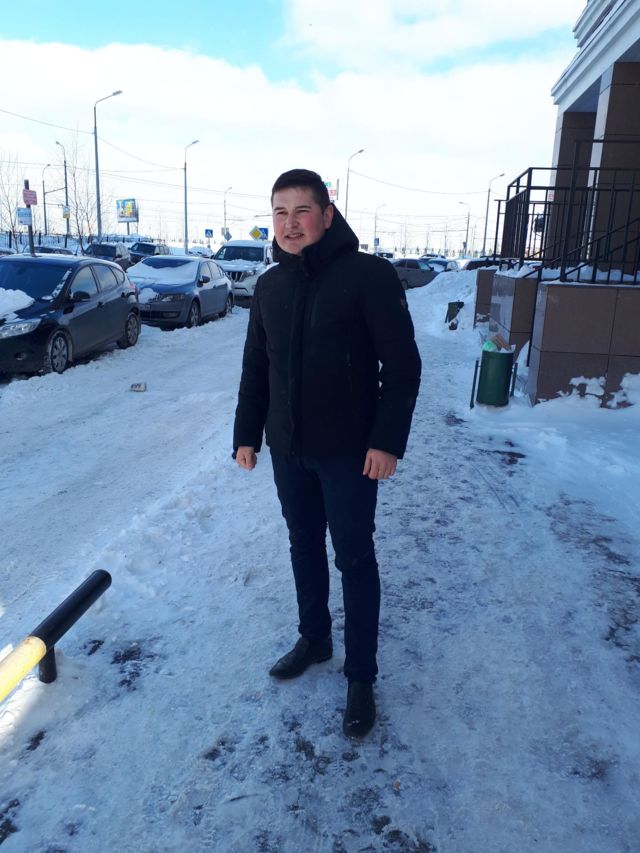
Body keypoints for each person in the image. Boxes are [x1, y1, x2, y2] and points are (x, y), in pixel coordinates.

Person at [233, 169, 421, 738]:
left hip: (349, 453)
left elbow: (403, 365)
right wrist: (247, 434)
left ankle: (361, 676)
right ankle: (314, 638)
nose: (290, 224)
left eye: (302, 211)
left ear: (327, 215)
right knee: (303, 544)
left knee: (354, 558)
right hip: (289, 448)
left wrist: (386, 441)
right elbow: (256, 367)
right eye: (280, 212)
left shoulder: (368, 276)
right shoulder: (270, 286)